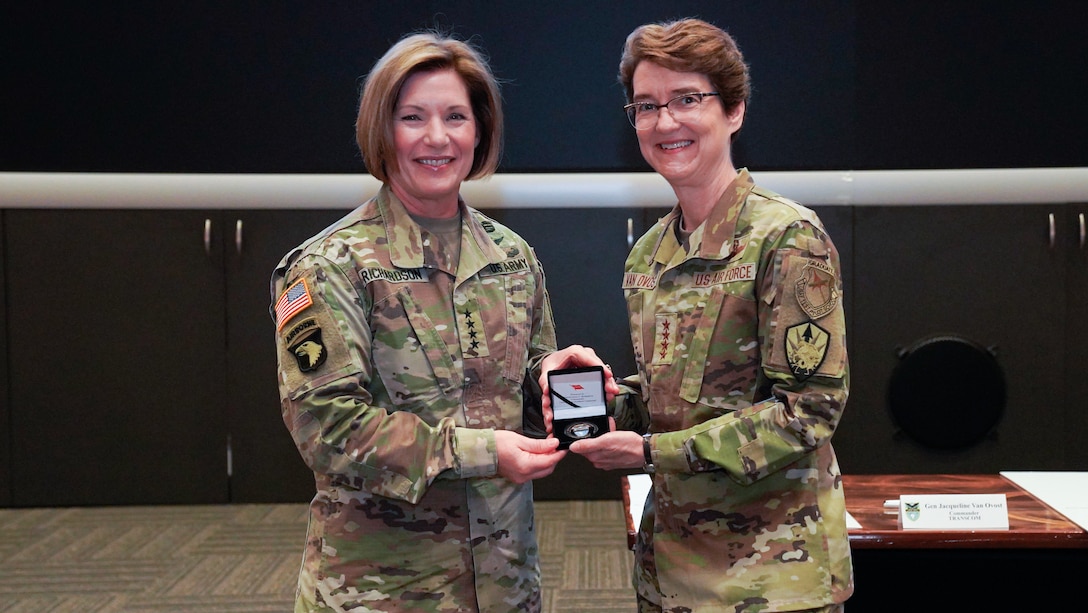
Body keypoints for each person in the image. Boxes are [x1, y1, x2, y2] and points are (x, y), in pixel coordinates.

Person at [269, 30, 611, 613]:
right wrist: (481, 452)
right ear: (383, 130)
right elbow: (328, 430)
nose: (437, 137)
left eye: (456, 116)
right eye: (412, 117)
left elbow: (518, 397)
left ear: (479, 131)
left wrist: (555, 381)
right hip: (384, 590)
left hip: (504, 582)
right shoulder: (329, 266)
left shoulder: (512, 256)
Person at [568, 18, 854, 613]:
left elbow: (807, 412)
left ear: (734, 111)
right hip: (668, 573)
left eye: (686, 100)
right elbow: (671, 397)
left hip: (773, 579)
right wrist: (597, 400)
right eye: (646, 106)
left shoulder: (787, 239)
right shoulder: (649, 254)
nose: (665, 122)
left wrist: (649, 453)